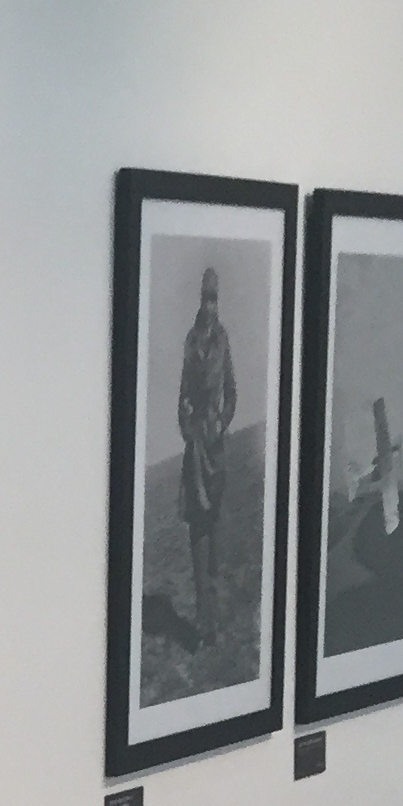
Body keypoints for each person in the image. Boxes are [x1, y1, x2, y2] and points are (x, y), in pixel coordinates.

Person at [177, 263, 238, 643]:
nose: (209, 305)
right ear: (199, 299)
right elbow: (182, 395)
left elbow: (232, 392)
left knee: (214, 531)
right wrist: (188, 428)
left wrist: (222, 423)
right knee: (198, 532)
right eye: (205, 298)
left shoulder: (223, 340)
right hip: (196, 448)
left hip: (217, 447)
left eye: (214, 298)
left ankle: (214, 615)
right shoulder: (190, 341)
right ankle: (204, 623)